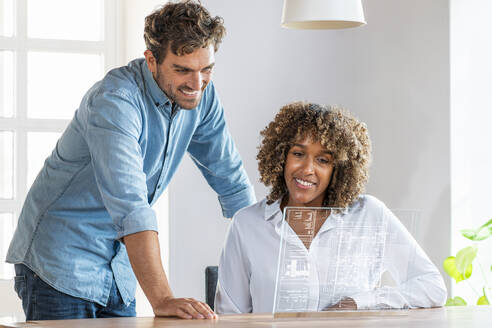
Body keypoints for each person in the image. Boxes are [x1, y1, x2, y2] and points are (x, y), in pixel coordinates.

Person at [6, 0, 255, 321]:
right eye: (182, 69)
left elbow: (231, 180)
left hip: (118, 268)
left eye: (206, 69)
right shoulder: (115, 101)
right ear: (152, 60)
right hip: (61, 262)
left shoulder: (201, 95)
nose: (197, 84)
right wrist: (163, 298)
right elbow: (131, 208)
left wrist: (270, 255)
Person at [214, 102, 447, 313]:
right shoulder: (247, 224)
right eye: (298, 154)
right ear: (281, 156)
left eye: (323, 160)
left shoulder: (370, 215)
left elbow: (432, 286)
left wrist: (358, 302)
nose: (307, 169)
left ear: (340, 169)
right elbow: (230, 316)